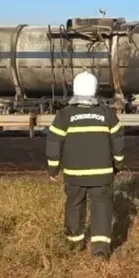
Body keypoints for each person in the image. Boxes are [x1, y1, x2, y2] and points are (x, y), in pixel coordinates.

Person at [45, 71, 125, 260]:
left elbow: (53, 143)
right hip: (102, 175)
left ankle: (74, 244)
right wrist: (118, 165)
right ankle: (100, 251)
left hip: (74, 175)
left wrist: (53, 169)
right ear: (95, 89)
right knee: (102, 208)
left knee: (74, 206)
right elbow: (118, 142)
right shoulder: (107, 114)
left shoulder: (64, 116)